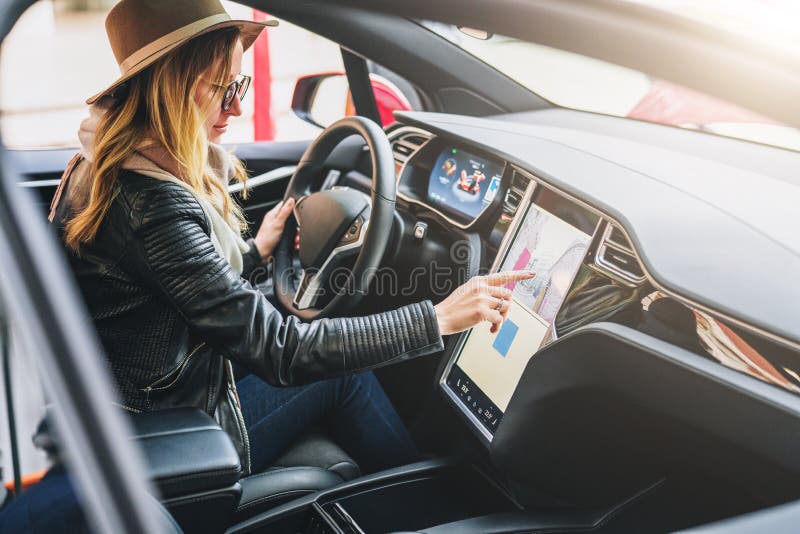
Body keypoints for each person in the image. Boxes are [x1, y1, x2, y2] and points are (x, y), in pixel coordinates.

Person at [48, 0, 533, 477]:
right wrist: (438, 318)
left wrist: (257, 251)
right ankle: (431, 506)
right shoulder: (152, 206)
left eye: (241, 84)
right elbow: (282, 351)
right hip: (173, 435)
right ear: (172, 89)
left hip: (137, 406)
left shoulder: (100, 165)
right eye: (223, 88)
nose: (237, 106)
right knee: (345, 376)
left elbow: (184, 292)